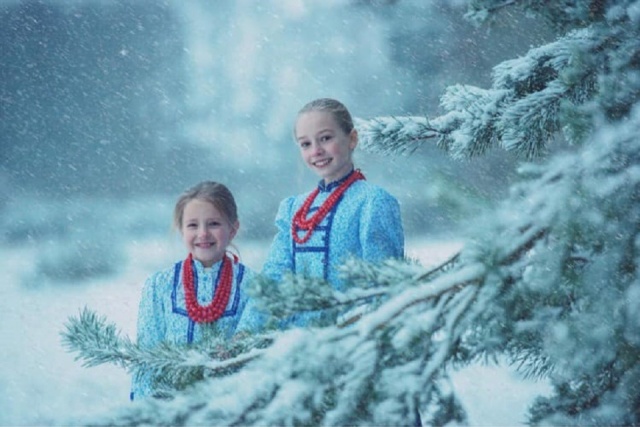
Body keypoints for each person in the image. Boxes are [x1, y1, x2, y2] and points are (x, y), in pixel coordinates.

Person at [262, 98, 405, 327]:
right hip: (295, 345)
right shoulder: (293, 209)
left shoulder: (373, 202)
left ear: (352, 139)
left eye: (326, 138)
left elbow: (384, 287)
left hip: (352, 341)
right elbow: (273, 278)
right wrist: (246, 334)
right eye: (305, 144)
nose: (316, 151)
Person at [130, 181, 262, 400]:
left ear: (233, 228)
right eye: (193, 225)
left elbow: (258, 361)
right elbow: (146, 360)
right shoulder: (158, 286)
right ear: (181, 229)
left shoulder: (254, 287)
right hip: (170, 413)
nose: (203, 233)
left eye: (213, 223)